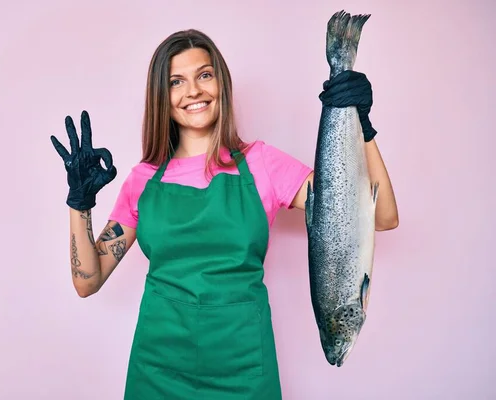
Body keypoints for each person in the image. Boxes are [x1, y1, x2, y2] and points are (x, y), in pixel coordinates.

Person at [50, 29, 398, 399]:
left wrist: (362, 125)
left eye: (204, 75)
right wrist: (79, 203)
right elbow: (87, 281)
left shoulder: (262, 163)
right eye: (176, 81)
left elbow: (380, 217)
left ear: (221, 84)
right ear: (161, 98)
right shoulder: (143, 181)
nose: (194, 91)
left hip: (245, 370)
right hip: (158, 371)